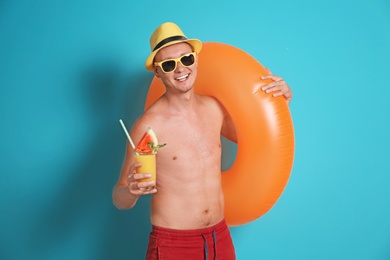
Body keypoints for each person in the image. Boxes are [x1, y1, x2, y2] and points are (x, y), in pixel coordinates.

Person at [112, 22, 293, 260]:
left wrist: (279, 102)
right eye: (168, 64)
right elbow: (119, 198)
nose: (180, 70)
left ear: (195, 59)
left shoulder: (214, 108)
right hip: (173, 244)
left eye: (185, 59)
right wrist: (132, 191)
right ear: (158, 72)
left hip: (220, 237)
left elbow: (255, 136)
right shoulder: (148, 127)